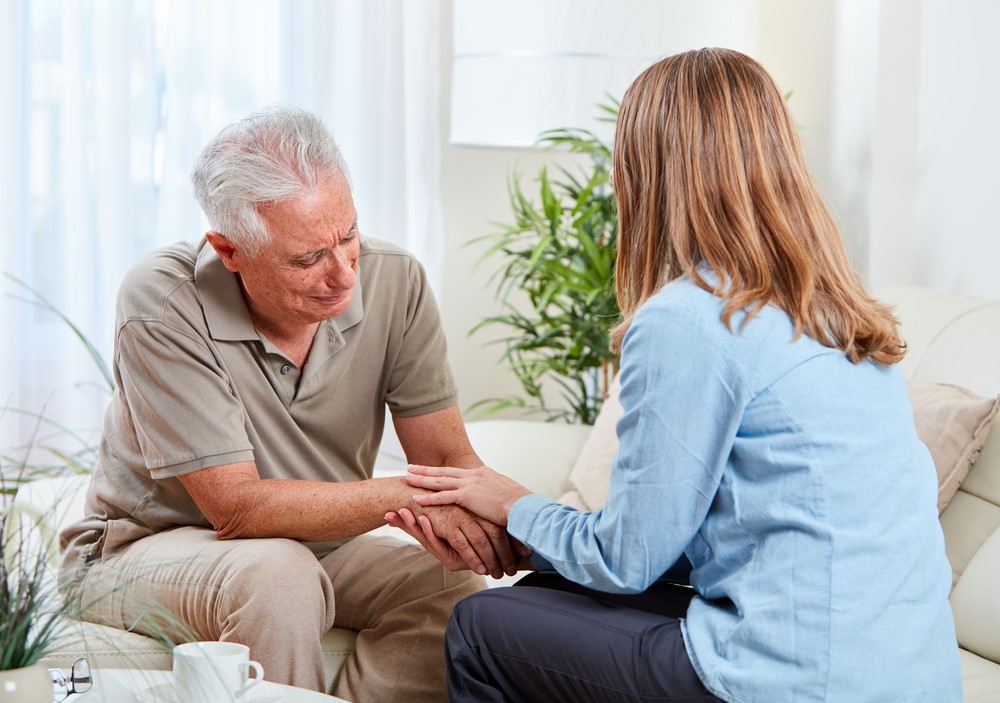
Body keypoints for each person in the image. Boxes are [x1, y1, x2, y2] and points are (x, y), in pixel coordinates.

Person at [393, 48, 964, 702]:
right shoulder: (839, 313)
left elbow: (626, 559)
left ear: (649, 172)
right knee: (543, 594)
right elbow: (679, 545)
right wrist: (522, 539)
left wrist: (512, 503)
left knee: (482, 626)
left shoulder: (690, 320)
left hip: (797, 682)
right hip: (910, 680)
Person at [57, 107, 519, 702]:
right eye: (307, 259)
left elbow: (447, 461)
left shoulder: (396, 281)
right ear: (229, 250)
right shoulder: (162, 299)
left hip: (315, 545)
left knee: (446, 586)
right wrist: (406, 494)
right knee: (278, 576)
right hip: (138, 549)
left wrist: (534, 531)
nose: (344, 275)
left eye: (348, 234)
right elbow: (238, 510)